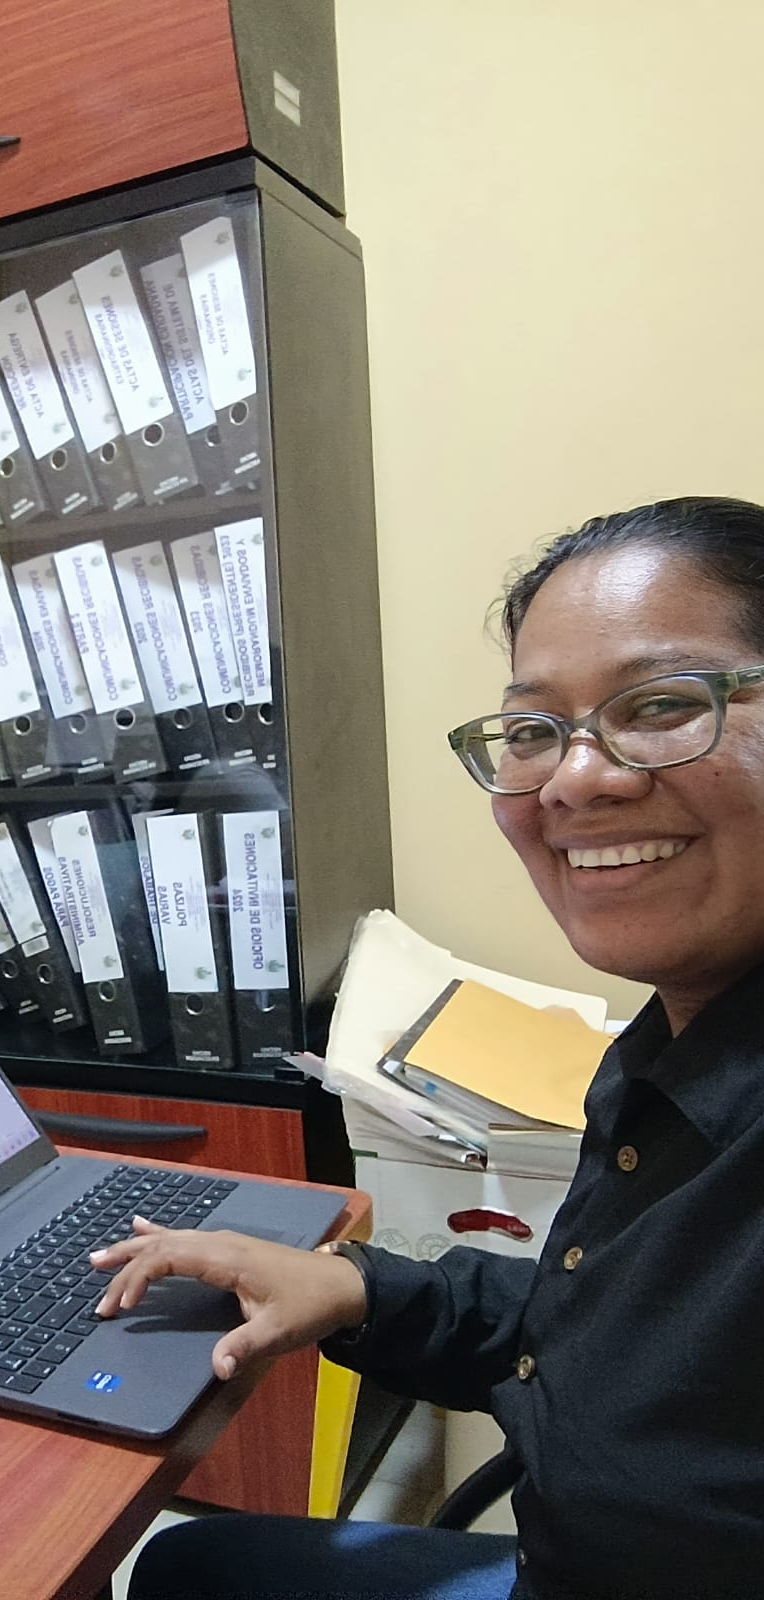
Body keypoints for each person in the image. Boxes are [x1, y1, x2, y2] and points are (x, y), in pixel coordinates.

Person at [94, 496, 764, 1599]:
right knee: (185, 1563)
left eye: (661, 705)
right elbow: (601, 1335)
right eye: (534, 729)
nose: (574, 778)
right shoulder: (671, 1043)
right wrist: (353, 1287)